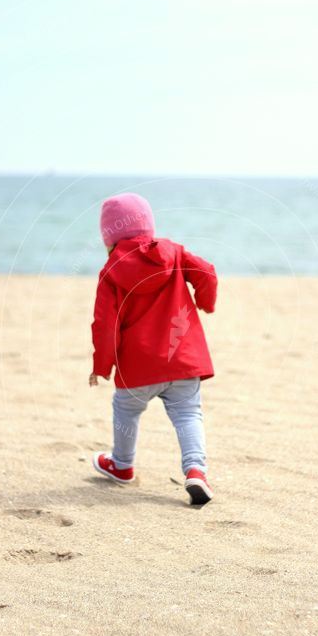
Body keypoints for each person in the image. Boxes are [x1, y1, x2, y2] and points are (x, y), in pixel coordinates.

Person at [89, 192, 217, 505]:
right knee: (188, 414)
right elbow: (207, 273)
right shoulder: (174, 252)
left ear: (109, 236)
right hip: (182, 360)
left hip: (137, 368)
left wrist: (102, 366)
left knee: (126, 411)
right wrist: (205, 302)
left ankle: (121, 464)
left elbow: (104, 324)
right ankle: (196, 471)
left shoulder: (111, 272)